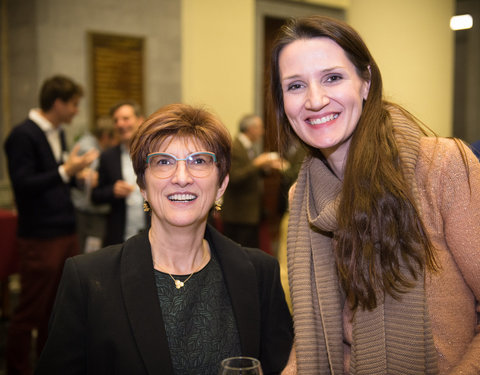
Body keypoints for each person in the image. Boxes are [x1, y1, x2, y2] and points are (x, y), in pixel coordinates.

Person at [268, 16, 480, 375]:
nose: (315, 100)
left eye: (332, 78)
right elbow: (314, 339)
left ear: (365, 81)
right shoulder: (301, 196)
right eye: (295, 86)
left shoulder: (441, 167)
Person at [34, 103, 293, 375]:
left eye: (199, 161)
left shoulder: (259, 274)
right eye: (164, 162)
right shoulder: (88, 280)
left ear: (222, 185)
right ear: (143, 185)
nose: (182, 178)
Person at [4, 75, 98, 375]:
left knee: (56, 309)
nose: (75, 111)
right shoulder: (23, 135)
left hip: (64, 230)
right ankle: (18, 368)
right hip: (41, 236)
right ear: (57, 103)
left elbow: (55, 180)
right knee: (30, 310)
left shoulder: (56, 133)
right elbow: (23, 184)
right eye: (73, 104)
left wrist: (76, 176)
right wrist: (65, 170)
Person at [222, 114, 287, 248]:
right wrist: (257, 164)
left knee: (250, 252)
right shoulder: (235, 147)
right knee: (239, 253)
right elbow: (233, 177)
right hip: (238, 214)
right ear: (250, 129)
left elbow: (250, 173)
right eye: (259, 127)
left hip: (250, 213)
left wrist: (265, 168)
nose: (262, 132)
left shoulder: (249, 147)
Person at [91, 100, 148, 246]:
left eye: (125, 118)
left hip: (153, 233)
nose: (120, 124)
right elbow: (95, 196)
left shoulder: (154, 154)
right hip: (119, 236)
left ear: (140, 120)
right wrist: (112, 191)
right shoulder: (108, 157)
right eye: (116, 120)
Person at [71, 116, 118, 252]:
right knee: (90, 251)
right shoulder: (90, 149)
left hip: (88, 209)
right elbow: (93, 179)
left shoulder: (89, 143)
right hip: (88, 212)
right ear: (105, 136)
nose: (117, 142)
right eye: (115, 137)